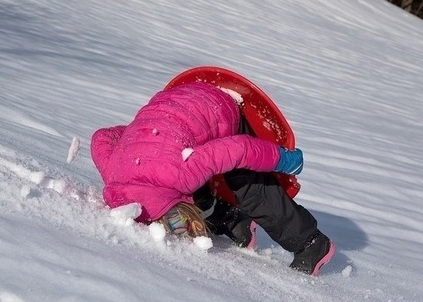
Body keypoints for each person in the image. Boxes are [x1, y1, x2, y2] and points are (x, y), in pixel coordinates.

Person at [91, 82, 335, 275]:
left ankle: (310, 244)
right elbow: (101, 136)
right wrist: (137, 135)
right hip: (172, 98)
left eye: (174, 222)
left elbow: (240, 149)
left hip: (219, 105)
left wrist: (283, 159)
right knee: (198, 170)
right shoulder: (112, 169)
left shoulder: (181, 175)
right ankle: (231, 220)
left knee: (250, 188)